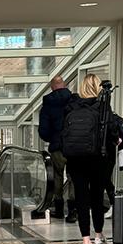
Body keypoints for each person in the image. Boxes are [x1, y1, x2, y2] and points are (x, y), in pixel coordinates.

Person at [63, 74, 119, 244]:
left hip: (75, 159)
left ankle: (85, 242)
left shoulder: (71, 107)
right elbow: (112, 133)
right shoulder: (103, 108)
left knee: (81, 198)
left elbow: (63, 133)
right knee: (96, 197)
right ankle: (98, 235)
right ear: (97, 87)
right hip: (98, 160)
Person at [38, 75, 77, 222]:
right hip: (73, 146)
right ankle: (73, 211)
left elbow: (43, 131)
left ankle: (59, 209)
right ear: (64, 85)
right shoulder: (74, 101)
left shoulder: (47, 105)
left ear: (52, 87)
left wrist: (53, 138)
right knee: (74, 178)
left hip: (57, 147)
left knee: (57, 177)